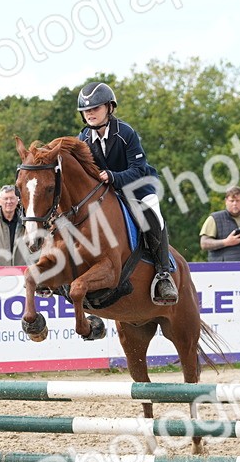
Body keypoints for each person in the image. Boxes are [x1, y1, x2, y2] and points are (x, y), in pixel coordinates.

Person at [76, 81, 177, 304]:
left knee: (153, 215)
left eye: (95, 108)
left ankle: (163, 275)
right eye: (86, 110)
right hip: (107, 193)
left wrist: (113, 177)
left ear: (109, 107)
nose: (90, 113)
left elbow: (138, 169)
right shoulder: (82, 139)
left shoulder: (126, 133)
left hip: (138, 187)